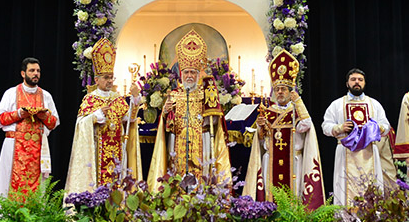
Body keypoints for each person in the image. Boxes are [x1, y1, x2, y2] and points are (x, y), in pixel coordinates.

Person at [147, 29, 232, 192]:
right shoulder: (173, 95)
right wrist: (165, 113)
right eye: (186, 72)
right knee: (177, 179)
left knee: (201, 178)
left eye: (193, 72)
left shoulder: (206, 94)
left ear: (198, 74)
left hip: (202, 141)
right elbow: (167, 126)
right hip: (178, 142)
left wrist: (213, 116)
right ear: (181, 74)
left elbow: (216, 123)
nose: (190, 76)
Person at [243, 49, 325, 209]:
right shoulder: (267, 111)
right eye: (277, 89)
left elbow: (307, 125)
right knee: (270, 197)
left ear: (290, 91)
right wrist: (261, 128)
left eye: (284, 89)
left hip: (293, 162)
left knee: (293, 199)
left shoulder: (296, 111)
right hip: (270, 162)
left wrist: (299, 102)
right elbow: (261, 141)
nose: (280, 92)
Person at [65, 38, 142, 195]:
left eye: (111, 77)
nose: (109, 81)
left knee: (116, 185)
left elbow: (130, 120)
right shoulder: (90, 98)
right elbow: (80, 124)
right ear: (97, 79)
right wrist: (96, 116)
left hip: (117, 150)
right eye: (105, 78)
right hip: (97, 152)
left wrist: (135, 100)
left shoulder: (116, 97)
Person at [322, 68, 393, 206]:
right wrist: (339, 128)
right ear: (347, 83)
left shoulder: (374, 104)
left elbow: (386, 126)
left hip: (369, 152)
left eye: (360, 80)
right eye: (353, 79)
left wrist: (376, 128)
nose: (357, 82)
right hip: (346, 151)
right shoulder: (337, 105)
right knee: (345, 189)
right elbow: (325, 126)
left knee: (371, 187)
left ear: (365, 83)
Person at [0, 57, 59, 203]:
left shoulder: (46, 96)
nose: (36, 74)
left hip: (38, 148)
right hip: (14, 145)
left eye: (38, 71)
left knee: (37, 190)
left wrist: (43, 116)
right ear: (23, 73)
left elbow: (54, 123)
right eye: (32, 71)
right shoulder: (11, 93)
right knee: (8, 186)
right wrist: (19, 114)